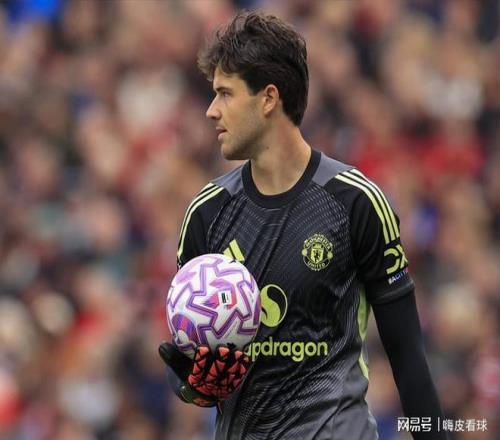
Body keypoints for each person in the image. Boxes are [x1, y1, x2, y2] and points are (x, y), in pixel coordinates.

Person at [159, 10, 448, 440]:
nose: (211, 111)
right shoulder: (207, 213)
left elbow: (408, 358)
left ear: (268, 98)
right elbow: (194, 381)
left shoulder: (356, 203)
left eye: (224, 94)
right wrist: (193, 383)